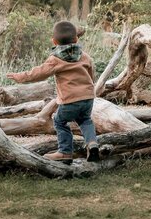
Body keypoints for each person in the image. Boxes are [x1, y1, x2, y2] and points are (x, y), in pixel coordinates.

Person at [7, 21, 99, 163]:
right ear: (76, 39)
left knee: (59, 121)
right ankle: (92, 143)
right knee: (85, 120)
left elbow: (39, 73)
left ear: (54, 41)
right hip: (88, 97)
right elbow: (91, 74)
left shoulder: (56, 59)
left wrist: (20, 77)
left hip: (70, 100)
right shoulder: (85, 56)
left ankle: (65, 152)